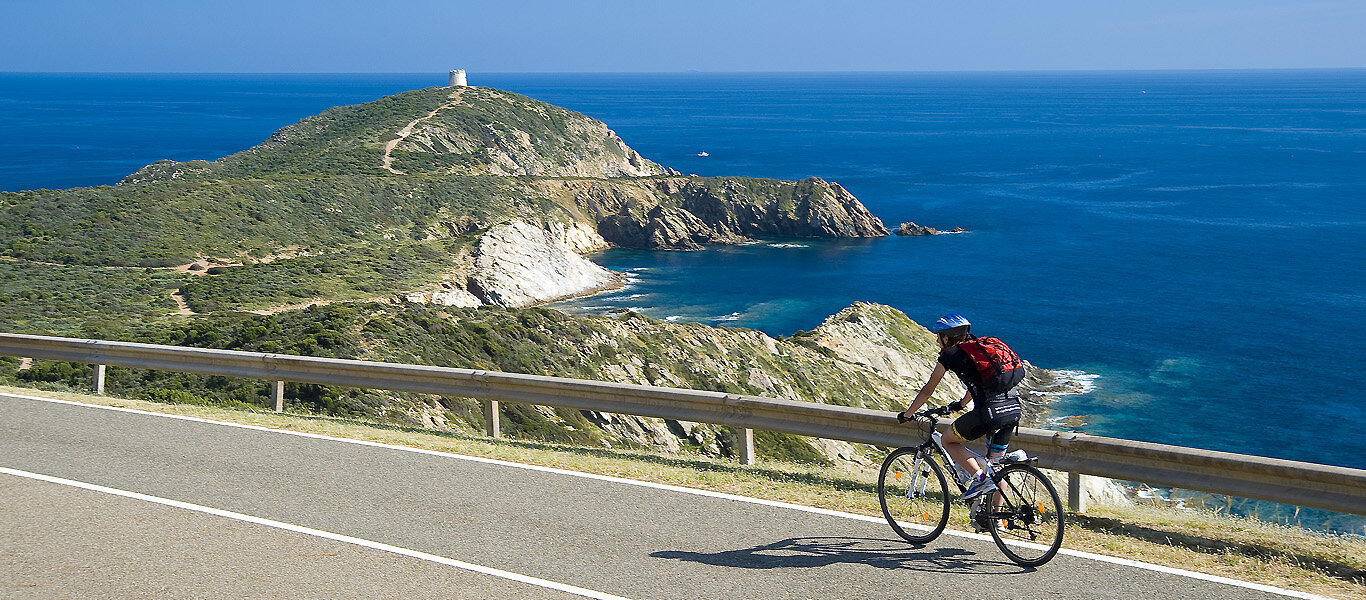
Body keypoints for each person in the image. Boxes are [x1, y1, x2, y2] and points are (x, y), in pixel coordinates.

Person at [897, 314, 1024, 501]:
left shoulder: (949, 356)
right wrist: (961, 405)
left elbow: (927, 390)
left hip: (990, 412)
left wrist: (908, 414)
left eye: (939, 335)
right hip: (1013, 409)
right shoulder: (978, 351)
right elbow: (978, 384)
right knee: (997, 469)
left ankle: (980, 478)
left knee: (948, 440)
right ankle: (997, 522)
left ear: (947, 337)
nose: (937, 339)